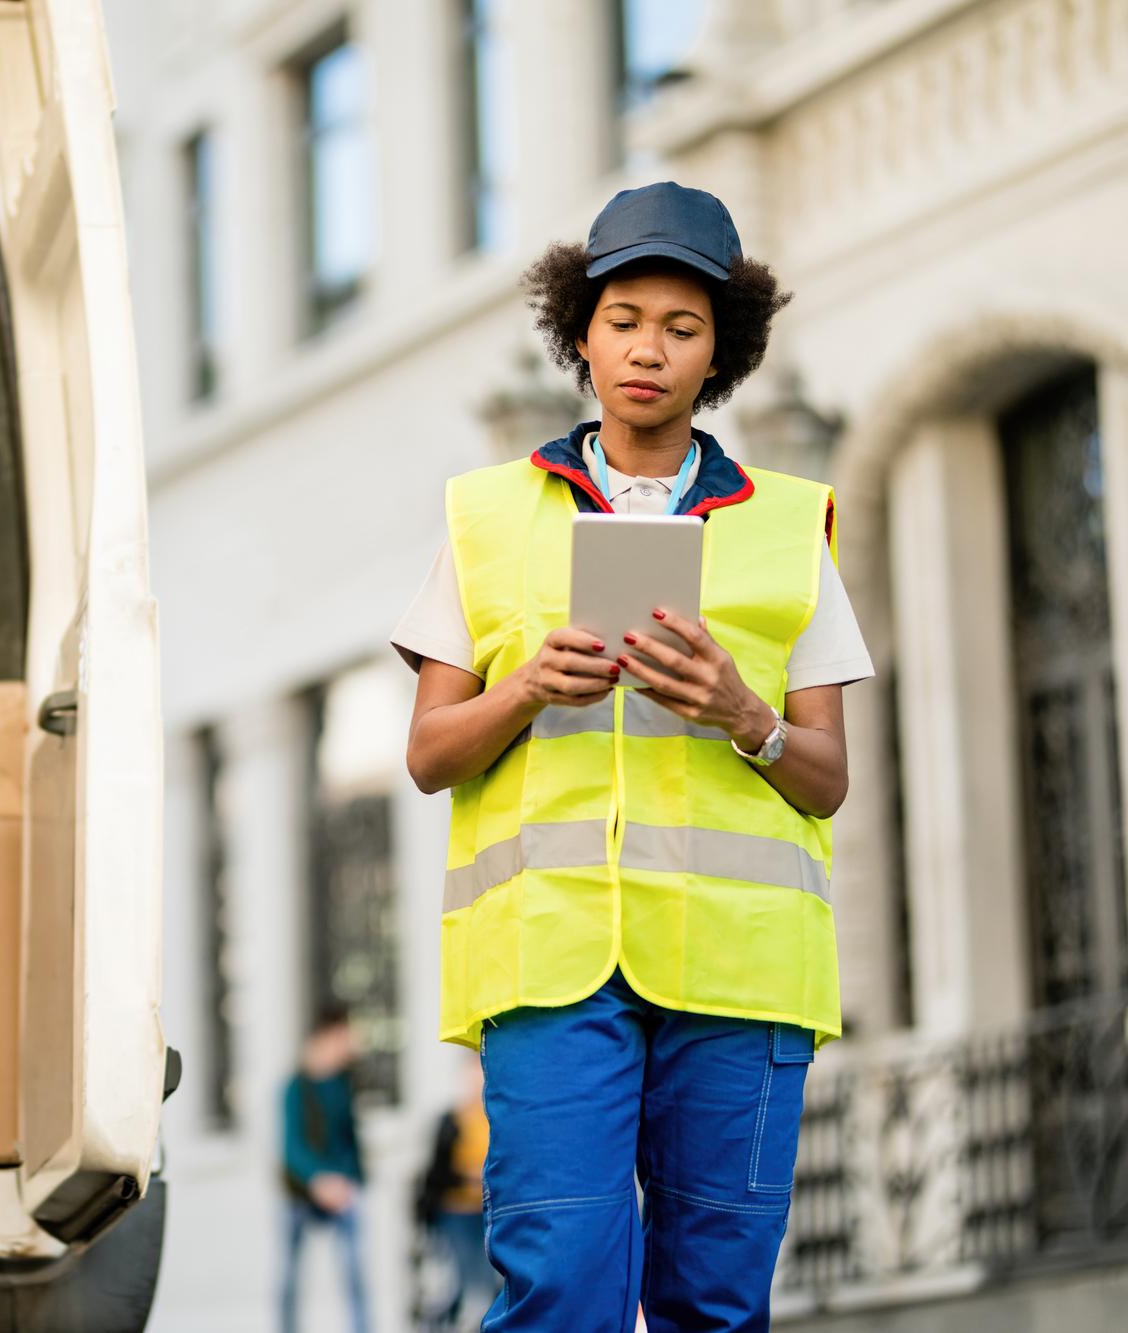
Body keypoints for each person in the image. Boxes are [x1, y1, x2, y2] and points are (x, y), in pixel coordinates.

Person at [392, 182, 873, 1332]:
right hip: (552, 973)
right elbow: (424, 755)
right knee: (558, 1284)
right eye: (621, 319)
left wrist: (739, 712)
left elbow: (825, 776)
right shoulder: (485, 518)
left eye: (680, 326)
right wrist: (523, 688)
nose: (646, 350)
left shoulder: (788, 524)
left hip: (741, 975)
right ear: (577, 332)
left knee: (713, 1301)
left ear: (721, 353)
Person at [280, 1002, 369, 1333]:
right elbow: (292, 1147)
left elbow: (348, 1142)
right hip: (300, 1193)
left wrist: (348, 1181)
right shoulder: (295, 1087)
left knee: (355, 1271)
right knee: (289, 1276)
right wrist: (319, 1180)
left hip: (343, 1190)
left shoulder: (344, 1084)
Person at [413, 1050, 498, 1330]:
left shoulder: (496, 1119)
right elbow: (436, 1173)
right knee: (462, 1280)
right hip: (456, 1212)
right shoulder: (450, 1121)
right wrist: (469, 1178)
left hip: (488, 1214)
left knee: (486, 1281)